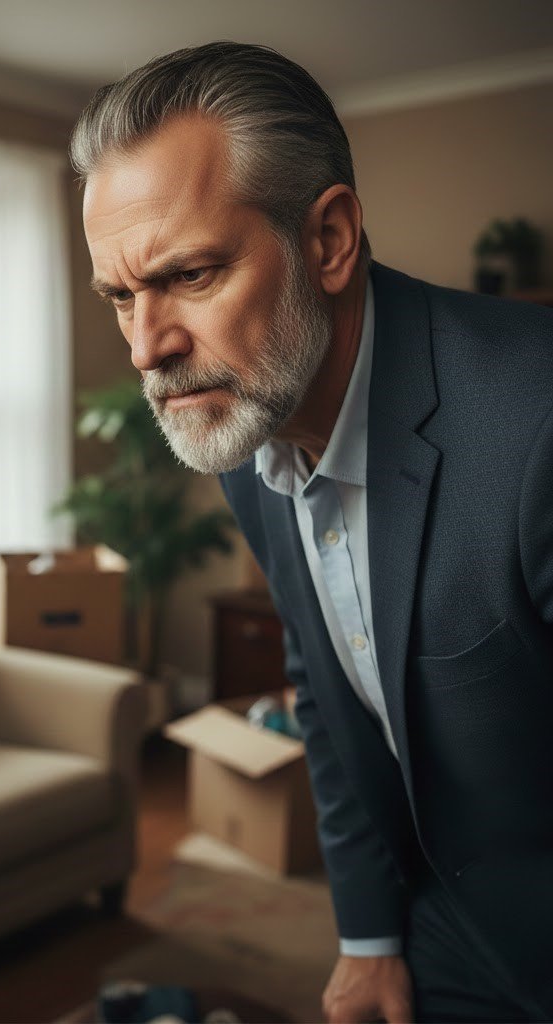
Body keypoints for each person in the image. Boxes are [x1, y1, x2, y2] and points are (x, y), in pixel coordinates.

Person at [72, 42, 553, 1024]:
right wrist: (370, 934)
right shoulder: (248, 433)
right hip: (443, 928)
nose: (144, 347)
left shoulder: (538, 423)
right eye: (121, 295)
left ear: (328, 240)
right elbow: (328, 695)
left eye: (190, 274)